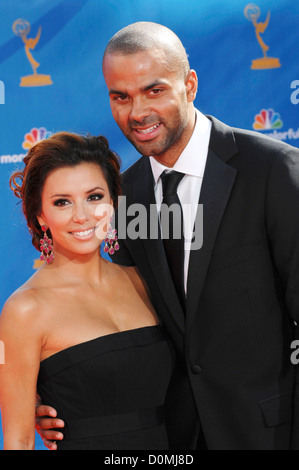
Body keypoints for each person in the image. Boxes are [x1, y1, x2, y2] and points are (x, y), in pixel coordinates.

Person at [36, 22, 299, 450]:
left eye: (153, 90)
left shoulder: (271, 171)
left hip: (269, 434)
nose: (136, 112)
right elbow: (109, 323)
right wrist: (45, 391)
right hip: (169, 443)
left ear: (189, 84)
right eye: (120, 97)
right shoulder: (124, 195)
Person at [0, 131, 174, 450]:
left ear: (112, 202)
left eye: (94, 197)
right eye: (62, 202)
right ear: (40, 215)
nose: (82, 215)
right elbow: (18, 440)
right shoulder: (25, 310)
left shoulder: (143, 280)